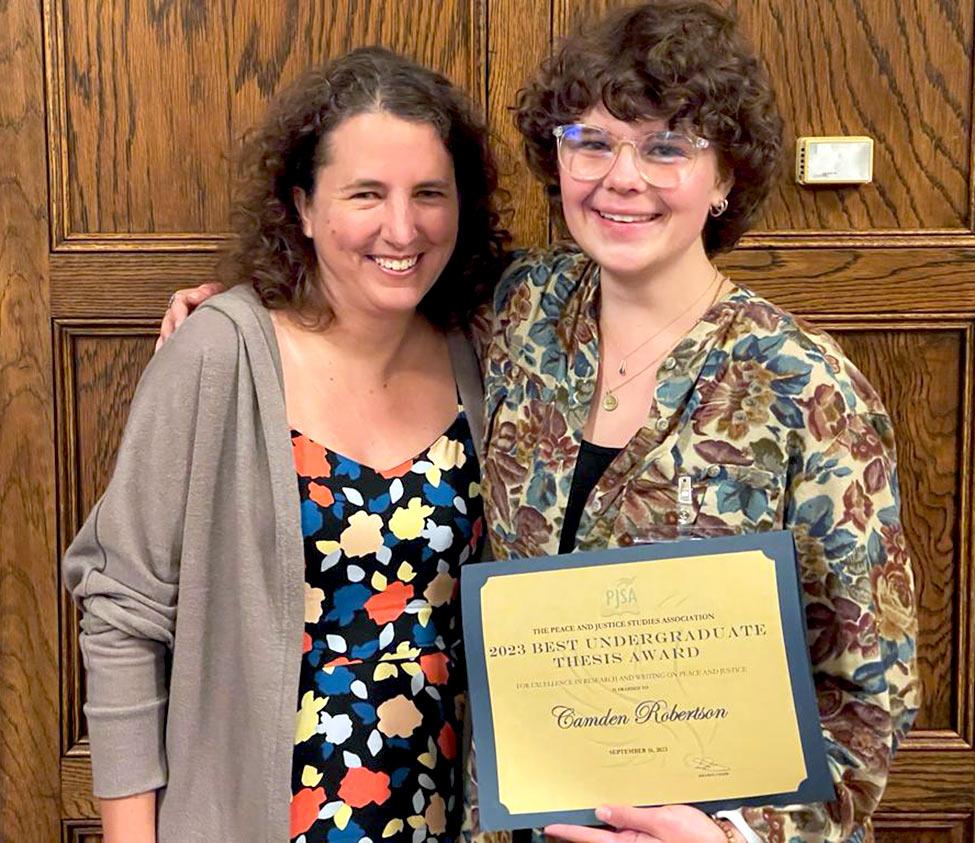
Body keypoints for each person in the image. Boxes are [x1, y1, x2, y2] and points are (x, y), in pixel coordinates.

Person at [159, 3, 920, 841]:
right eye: (591, 142)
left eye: (666, 147)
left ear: (727, 176)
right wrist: (238, 318)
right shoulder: (516, 309)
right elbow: (371, 268)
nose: (621, 176)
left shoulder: (807, 390)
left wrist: (742, 837)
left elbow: (866, 694)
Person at [62, 47, 509, 842]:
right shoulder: (219, 356)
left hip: (448, 813)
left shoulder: (484, 350)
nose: (401, 228)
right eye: (365, 194)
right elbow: (123, 615)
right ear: (302, 206)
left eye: (428, 195)